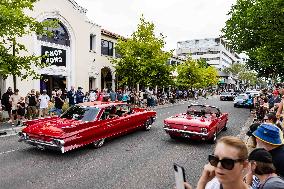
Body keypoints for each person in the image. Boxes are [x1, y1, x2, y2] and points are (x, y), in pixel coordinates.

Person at [184, 136, 250, 189]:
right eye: (215, 159)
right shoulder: (213, 183)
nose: (219, 165)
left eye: (227, 163)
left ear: (244, 165)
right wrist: (202, 182)